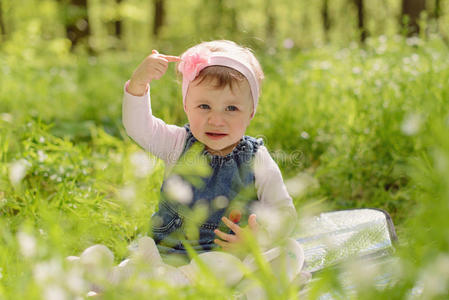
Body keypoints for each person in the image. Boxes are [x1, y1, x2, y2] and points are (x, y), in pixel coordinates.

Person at [73, 40, 307, 298]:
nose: (216, 119)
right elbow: (139, 127)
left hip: (225, 258)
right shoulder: (177, 143)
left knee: (290, 250)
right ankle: (105, 276)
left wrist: (258, 239)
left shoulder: (257, 158)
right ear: (186, 106)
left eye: (231, 108)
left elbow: (285, 211)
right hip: (167, 255)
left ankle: (144, 287)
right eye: (204, 106)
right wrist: (138, 86)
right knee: (138, 266)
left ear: (251, 112)